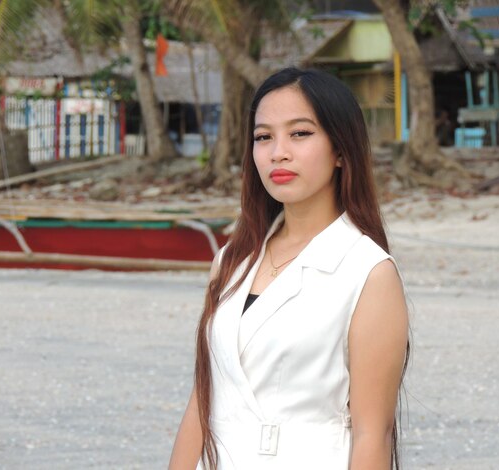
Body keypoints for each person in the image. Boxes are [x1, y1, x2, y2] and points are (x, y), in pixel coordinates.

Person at [169, 67, 410, 470]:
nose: (278, 151)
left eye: (300, 133)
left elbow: (374, 431)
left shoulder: (369, 272)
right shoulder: (231, 261)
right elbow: (203, 400)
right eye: (264, 137)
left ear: (340, 150)